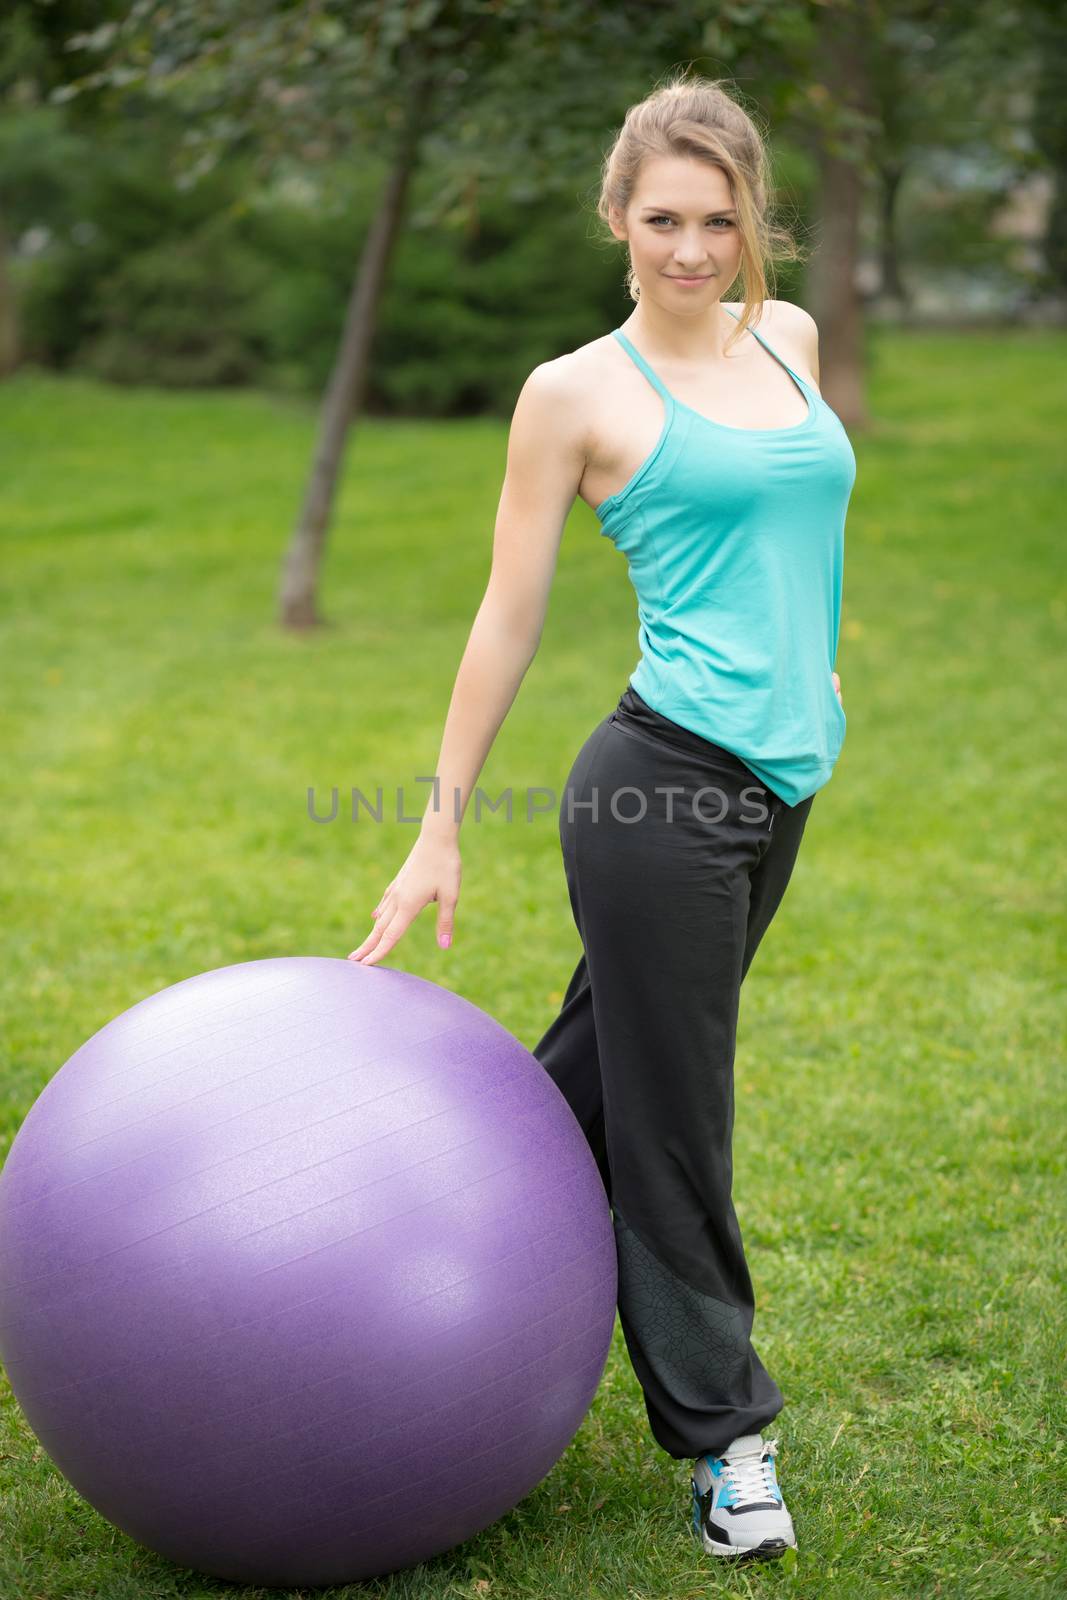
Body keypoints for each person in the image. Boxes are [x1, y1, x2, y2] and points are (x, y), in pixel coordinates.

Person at [349, 72, 857, 1565]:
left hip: (784, 781)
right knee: (677, 1120)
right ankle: (725, 1443)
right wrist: (440, 822)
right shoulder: (577, 392)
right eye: (661, 221)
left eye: (718, 220)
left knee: (590, 1081)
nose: (691, 250)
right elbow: (507, 620)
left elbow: (799, 519)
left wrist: (810, 659)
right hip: (662, 793)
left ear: (753, 215)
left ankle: (393, 1227)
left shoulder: (794, 341)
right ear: (615, 219)